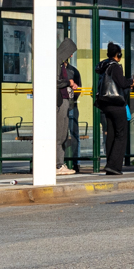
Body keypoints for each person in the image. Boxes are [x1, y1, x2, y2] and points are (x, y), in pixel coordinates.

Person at [95, 43, 132, 176]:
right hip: (116, 104)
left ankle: (109, 164)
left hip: (106, 104)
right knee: (121, 135)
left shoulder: (103, 66)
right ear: (118, 55)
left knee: (110, 134)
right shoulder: (115, 67)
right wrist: (131, 82)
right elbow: (121, 83)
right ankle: (114, 165)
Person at [56, 38, 78, 176]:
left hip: (64, 101)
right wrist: (68, 82)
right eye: (70, 53)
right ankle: (57, 164)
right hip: (59, 101)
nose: (70, 56)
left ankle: (59, 162)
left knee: (63, 134)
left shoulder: (62, 65)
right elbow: (55, 82)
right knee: (59, 133)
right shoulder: (56, 63)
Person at [62, 56, 83, 173]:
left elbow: (79, 89)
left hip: (72, 106)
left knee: (75, 135)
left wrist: (74, 91)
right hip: (61, 106)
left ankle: (76, 162)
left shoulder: (73, 71)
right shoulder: (57, 70)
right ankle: (61, 162)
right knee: (61, 135)